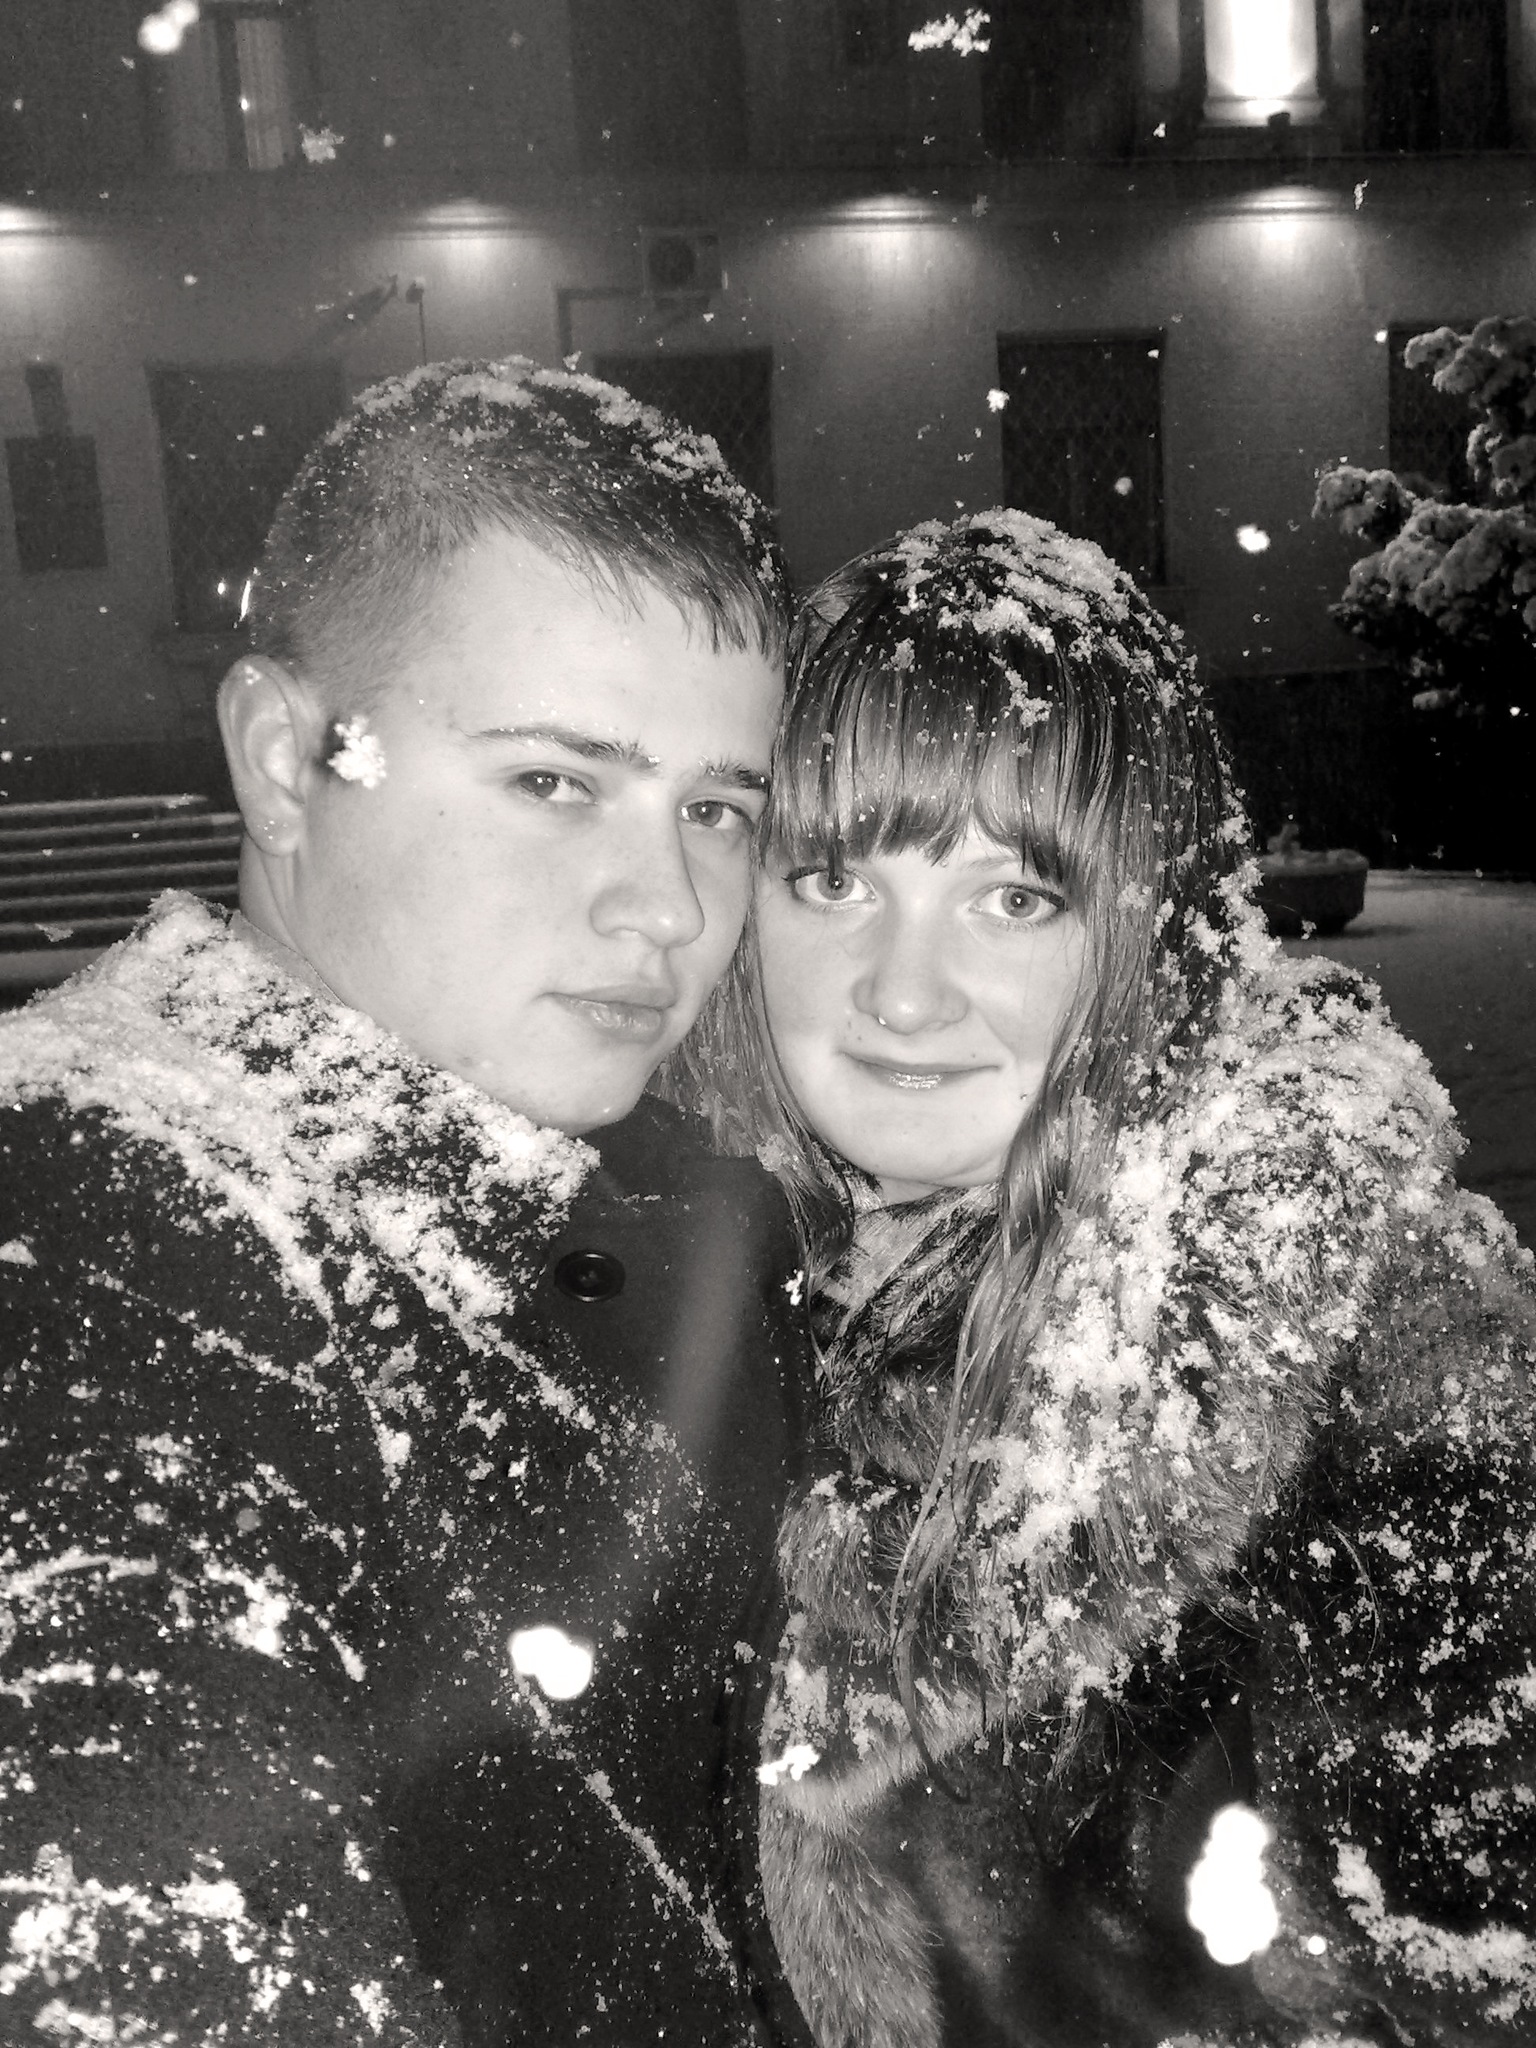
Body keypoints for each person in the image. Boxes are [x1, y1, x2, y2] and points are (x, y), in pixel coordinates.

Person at [0, 359, 813, 2047]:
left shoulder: (641, 1193)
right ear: (285, 759)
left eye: (716, 809)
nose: (668, 906)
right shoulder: (98, 1216)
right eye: (555, 782)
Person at [662, 510, 1536, 2047]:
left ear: (1145, 925)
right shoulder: (715, 1307)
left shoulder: (1364, 1358)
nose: (902, 992)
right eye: (837, 881)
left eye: (1015, 898)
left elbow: (1466, 1967)